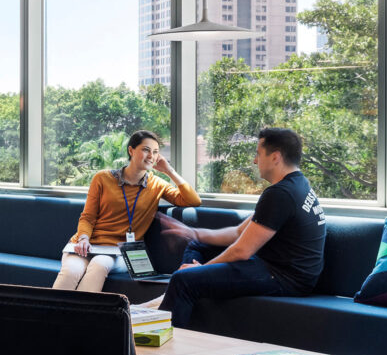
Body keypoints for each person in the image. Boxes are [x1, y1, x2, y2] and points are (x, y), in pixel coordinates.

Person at [146, 127, 327, 327]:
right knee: (196, 245)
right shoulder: (298, 184)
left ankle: (164, 332)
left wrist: (201, 270)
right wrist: (193, 232)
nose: (255, 161)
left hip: (286, 277)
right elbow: (239, 232)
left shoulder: (281, 194)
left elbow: (242, 250)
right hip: (275, 266)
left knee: (183, 280)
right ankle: (182, 293)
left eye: (258, 154)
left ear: (275, 157)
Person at [54, 130, 201, 292]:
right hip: (86, 245)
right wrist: (83, 239)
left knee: (99, 265)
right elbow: (88, 217)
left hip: (120, 252)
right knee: (70, 271)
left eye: (155, 152)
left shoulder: (157, 185)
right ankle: (50, 316)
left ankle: (83, 316)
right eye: (146, 150)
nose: (151, 156)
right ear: (131, 150)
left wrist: (169, 171)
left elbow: (193, 200)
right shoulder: (102, 178)